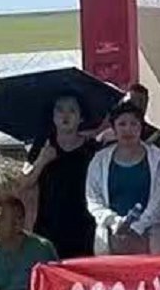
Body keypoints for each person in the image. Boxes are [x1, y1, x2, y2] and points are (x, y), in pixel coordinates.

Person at [20, 92, 101, 260]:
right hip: (48, 226)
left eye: (72, 110)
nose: (65, 115)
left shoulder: (93, 149)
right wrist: (42, 161)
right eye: (60, 110)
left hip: (84, 227)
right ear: (53, 116)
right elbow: (24, 183)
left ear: (81, 117)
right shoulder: (42, 145)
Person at [85, 100, 160, 254]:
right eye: (122, 124)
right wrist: (115, 223)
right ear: (114, 129)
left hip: (150, 240)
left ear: (141, 127)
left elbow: (158, 203)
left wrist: (136, 228)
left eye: (133, 124)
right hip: (111, 238)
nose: (128, 129)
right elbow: (93, 200)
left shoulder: (157, 159)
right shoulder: (99, 160)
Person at [94, 83, 160, 144]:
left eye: (141, 101)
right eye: (134, 100)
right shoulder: (113, 127)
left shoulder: (152, 134)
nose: (138, 104)